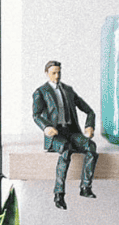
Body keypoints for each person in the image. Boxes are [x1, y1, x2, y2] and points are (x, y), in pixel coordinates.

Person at [32, 60, 98, 209]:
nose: (57, 76)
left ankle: (85, 187)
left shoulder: (68, 90)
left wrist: (89, 127)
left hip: (71, 131)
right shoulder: (41, 92)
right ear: (47, 73)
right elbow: (36, 115)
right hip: (56, 134)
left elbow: (89, 111)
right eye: (53, 73)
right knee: (66, 150)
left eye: (58, 72)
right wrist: (46, 127)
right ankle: (59, 194)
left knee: (91, 147)